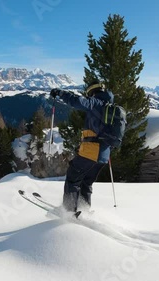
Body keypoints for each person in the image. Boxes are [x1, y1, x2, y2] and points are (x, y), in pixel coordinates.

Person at [50, 83, 114, 213]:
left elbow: (78, 102)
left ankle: (68, 211)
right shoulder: (111, 108)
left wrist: (61, 93)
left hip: (92, 150)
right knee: (86, 182)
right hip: (104, 154)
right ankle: (84, 210)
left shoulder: (96, 102)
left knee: (73, 178)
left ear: (92, 92)